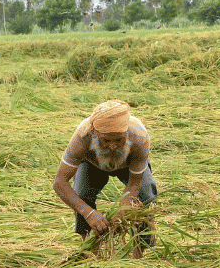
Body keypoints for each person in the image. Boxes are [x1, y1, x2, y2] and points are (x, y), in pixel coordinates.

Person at [53, 100, 158, 241]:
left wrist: (122, 209)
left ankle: (139, 251)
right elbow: (59, 182)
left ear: (126, 133)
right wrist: (88, 213)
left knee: (145, 196)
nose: (113, 146)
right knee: (82, 194)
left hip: (127, 165)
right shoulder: (82, 137)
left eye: (119, 140)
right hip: (92, 164)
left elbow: (134, 184)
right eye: (107, 141)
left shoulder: (139, 137)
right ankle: (88, 248)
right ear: (95, 133)